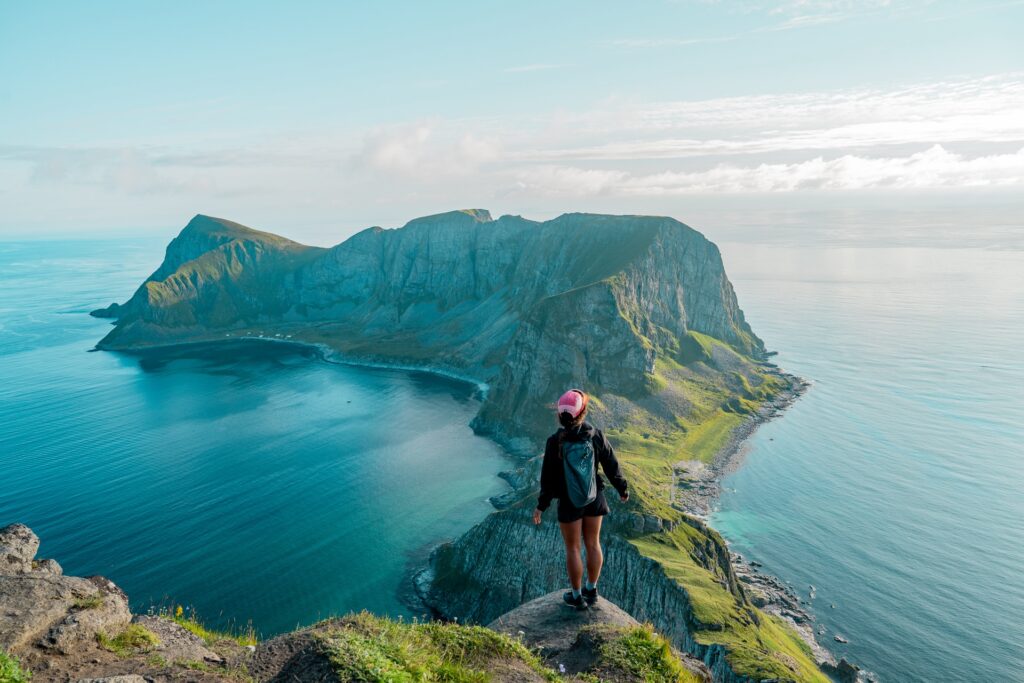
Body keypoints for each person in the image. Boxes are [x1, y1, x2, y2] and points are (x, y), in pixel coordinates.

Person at [532, 388, 629, 609]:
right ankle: (591, 589)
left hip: (569, 502)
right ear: (582, 412)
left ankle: (576, 597)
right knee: (593, 544)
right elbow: (612, 466)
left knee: (573, 549)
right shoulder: (596, 435)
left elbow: (547, 479)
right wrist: (622, 489)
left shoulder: (554, 442)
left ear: (560, 415)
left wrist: (541, 506)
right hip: (594, 497)